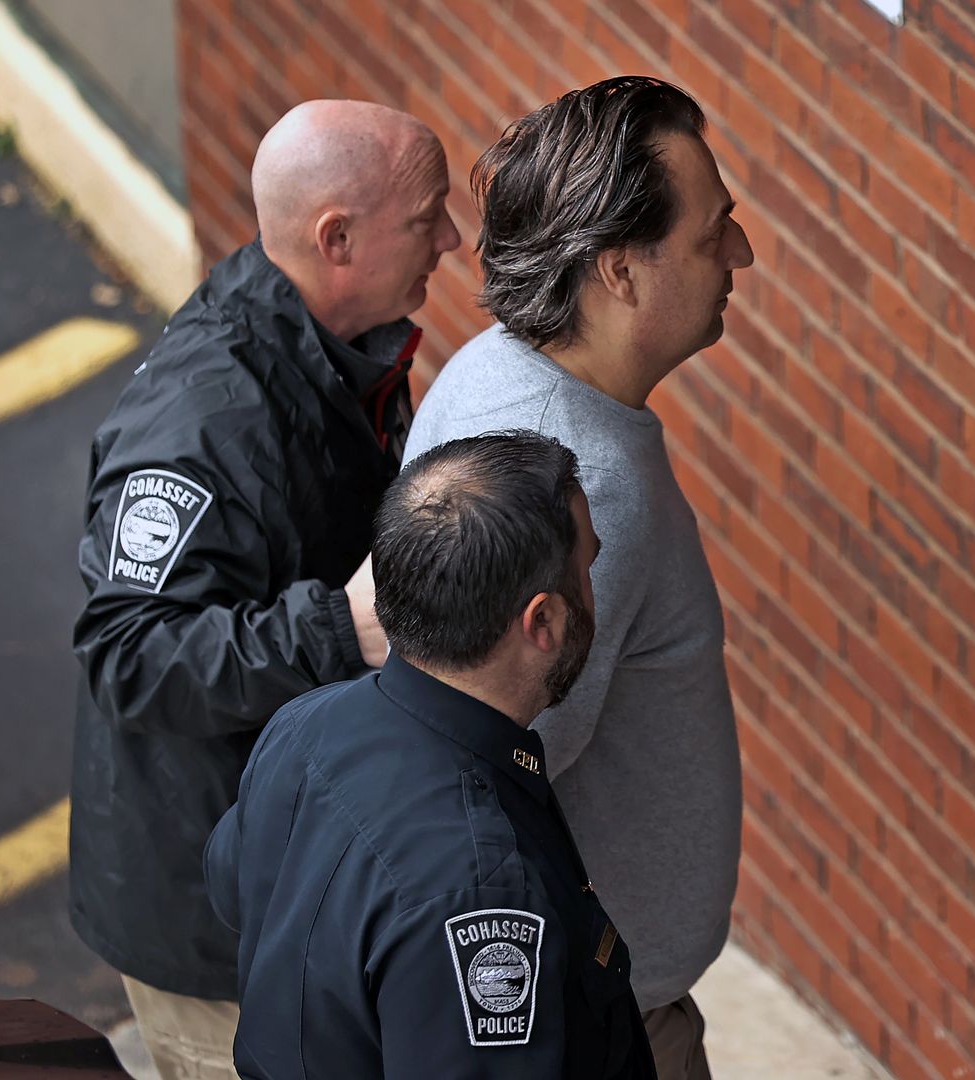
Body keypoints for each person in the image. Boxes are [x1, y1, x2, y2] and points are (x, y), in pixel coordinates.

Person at [69, 99, 462, 1079]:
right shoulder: (203, 418)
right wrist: (343, 629)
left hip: (295, 878)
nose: (453, 239)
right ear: (338, 238)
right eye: (428, 218)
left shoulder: (343, 342)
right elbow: (129, 656)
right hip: (221, 939)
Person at [405, 76, 753, 1078]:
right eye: (712, 233)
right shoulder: (585, 495)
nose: (742, 255)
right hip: (593, 1028)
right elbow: (495, 778)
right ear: (621, 274)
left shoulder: (496, 369)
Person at [203, 431, 655, 1079]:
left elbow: (233, 891)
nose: (594, 584)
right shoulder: (481, 892)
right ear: (543, 622)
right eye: (588, 566)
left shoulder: (305, 724)